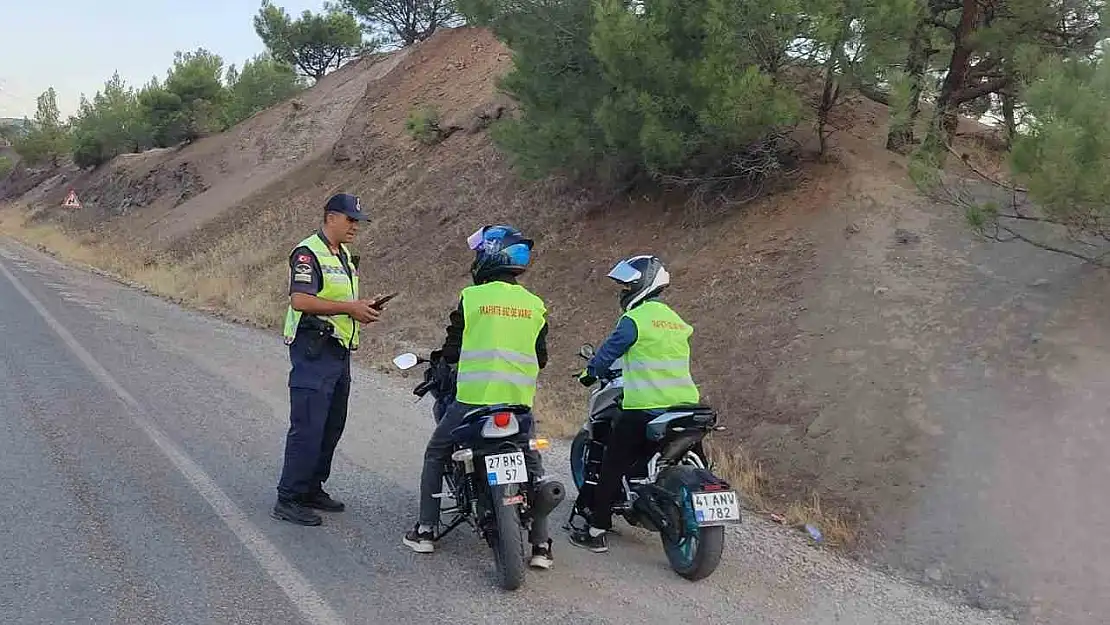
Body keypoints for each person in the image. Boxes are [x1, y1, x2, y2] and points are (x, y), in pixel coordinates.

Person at [403, 224, 557, 570]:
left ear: (489, 255)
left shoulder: (472, 298)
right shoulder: (534, 305)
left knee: (436, 452)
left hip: (473, 402)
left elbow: (453, 350)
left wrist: (441, 360)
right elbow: (541, 358)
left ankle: (426, 530)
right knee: (533, 466)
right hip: (518, 404)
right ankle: (542, 546)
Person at [568, 254, 701, 553]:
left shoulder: (633, 320)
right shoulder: (677, 321)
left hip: (646, 407)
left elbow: (606, 354)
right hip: (684, 405)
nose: (623, 292)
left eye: (627, 286)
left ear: (643, 284)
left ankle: (596, 528)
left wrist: (588, 375)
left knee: (611, 464)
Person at [272, 192, 386, 526]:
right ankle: (288, 497)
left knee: (332, 425)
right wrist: (351, 308)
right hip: (313, 348)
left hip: (338, 350)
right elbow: (301, 301)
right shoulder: (308, 253)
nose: (355, 227)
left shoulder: (344, 255)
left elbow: (338, 298)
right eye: (350, 220)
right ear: (330, 217)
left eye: (358, 222)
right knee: (308, 425)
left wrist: (363, 305)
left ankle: (311, 487)